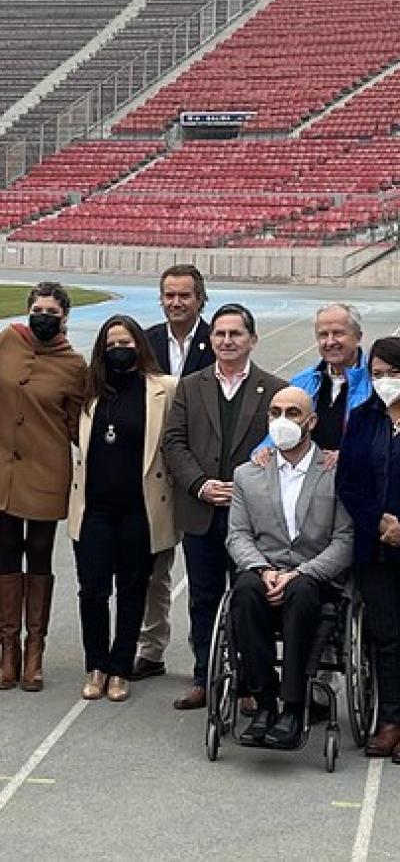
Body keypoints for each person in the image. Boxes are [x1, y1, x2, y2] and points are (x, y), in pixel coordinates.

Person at [163, 302, 286, 710]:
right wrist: (200, 485)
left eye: (236, 333)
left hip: (252, 520)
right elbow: (173, 443)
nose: (227, 340)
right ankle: (205, 676)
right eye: (220, 333)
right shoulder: (190, 386)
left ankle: (250, 683)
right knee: (203, 598)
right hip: (202, 513)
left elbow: (285, 451)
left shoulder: (275, 390)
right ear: (210, 339)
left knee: (249, 599)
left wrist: (247, 489)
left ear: (252, 339)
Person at [226, 387, 354, 748]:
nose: (283, 420)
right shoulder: (247, 475)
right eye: (276, 412)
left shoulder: (336, 472)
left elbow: (344, 540)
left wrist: (301, 573)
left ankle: (294, 707)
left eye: (293, 413)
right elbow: (237, 534)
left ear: (311, 421)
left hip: (314, 577)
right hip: (264, 571)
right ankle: (264, 702)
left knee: (300, 591)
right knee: (244, 591)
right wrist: (263, 570)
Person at [0, 281, 86, 692]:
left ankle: (35, 649)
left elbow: (78, 424)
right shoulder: (6, 341)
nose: (43, 318)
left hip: (47, 469)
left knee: (39, 554)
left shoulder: (74, 364)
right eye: (38, 310)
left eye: (52, 313)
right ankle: (8, 649)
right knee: (7, 551)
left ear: (64, 317)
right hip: (3, 468)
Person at [68, 316, 177, 702]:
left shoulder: (164, 389)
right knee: (92, 591)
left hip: (139, 511)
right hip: (94, 509)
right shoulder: (88, 390)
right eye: (111, 344)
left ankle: (120, 668)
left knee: (133, 591)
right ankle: (96, 665)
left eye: (126, 343)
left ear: (139, 346)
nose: (119, 350)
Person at [136, 264, 215, 682]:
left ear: (200, 299)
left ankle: (210, 659)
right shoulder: (145, 342)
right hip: (157, 474)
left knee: (207, 576)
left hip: (204, 474)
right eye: (169, 295)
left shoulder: (217, 340)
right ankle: (151, 649)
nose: (176, 302)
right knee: (153, 568)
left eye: (184, 295)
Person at [337, 337, 400, 762]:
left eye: (393, 373)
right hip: (373, 547)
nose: (385, 381)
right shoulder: (362, 419)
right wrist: (378, 521)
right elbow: (348, 482)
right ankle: (390, 719)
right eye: (377, 374)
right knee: (386, 635)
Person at [255, 303, 370, 462]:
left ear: (358, 337)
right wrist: (264, 450)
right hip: (310, 474)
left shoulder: (375, 384)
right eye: (323, 335)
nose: (330, 342)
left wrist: (349, 454)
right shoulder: (302, 382)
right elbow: (281, 425)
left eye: (338, 333)